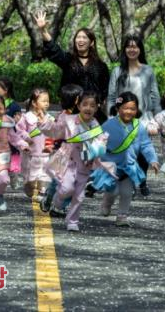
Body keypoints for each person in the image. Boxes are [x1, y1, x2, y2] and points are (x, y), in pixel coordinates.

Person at [40, 91, 107, 232]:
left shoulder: (96, 126)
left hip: (85, 164)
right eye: (85, 104)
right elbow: (56, 131)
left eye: (92, 105)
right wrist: (44, 123)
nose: (88, 108)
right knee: (66, 189)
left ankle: (72, 221)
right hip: (68, 162)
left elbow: (101, 143)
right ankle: (57, 202)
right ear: (78, 105)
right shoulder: (69, 120)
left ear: (97, 107)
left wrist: (98, 150)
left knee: (79, 196)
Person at [91, 92, 160, 227]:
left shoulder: (139, 127)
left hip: (129, 166)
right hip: (110, 166)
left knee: (127, 192)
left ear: (137, 110)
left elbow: (146, 145)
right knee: (113, 190)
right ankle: (107, 202)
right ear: (118, 108)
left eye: (132, 109)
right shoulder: (108, 125)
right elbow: (99, 142)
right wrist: (93, 155)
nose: (129, 111)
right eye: (125, 108)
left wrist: (153, 159)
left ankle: (122, 215)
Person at [107, 34, 161, 197]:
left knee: (143, 151)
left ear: (140, 49)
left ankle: (142, 181)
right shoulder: (117, 71)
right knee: (126, 151)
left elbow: (154, 94)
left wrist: (157, 118)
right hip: (122, 117)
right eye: (129, 46)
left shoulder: (148, 70)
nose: (132, 49)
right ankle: (129, 182)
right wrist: (111, 115)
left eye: (135, 46)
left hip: (143, 117)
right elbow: (111, 96)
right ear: (124, 49)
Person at [35, 11, 110, 121]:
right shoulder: (68, 60)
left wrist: (97, 104)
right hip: (71, 112)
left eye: (84, 37)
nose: (80, 40)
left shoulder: (101, 65)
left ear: (91, 42)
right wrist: (43, 30)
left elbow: (104, 90)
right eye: (78, 37)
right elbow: (54, 49)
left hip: (93, 113)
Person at [16, 88, 53, 200]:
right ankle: (29, 187)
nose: (46, 103)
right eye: (43, 101)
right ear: (34, 103)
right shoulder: (27, 117)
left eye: (48, 101)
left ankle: (41, 194)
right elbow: (19, 131)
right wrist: (26, 140)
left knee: (44, 177)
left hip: (45, 154)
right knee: (30, 179)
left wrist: (51, 145)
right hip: (30, 155)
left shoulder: (49, 118)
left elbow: (53, 133)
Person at [0, 78, 24, 189]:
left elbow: (19, 121)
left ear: (5, 90)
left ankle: (14, 176)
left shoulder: (14, 105)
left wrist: (17, 120)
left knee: (14, 157)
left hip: (11, 137)